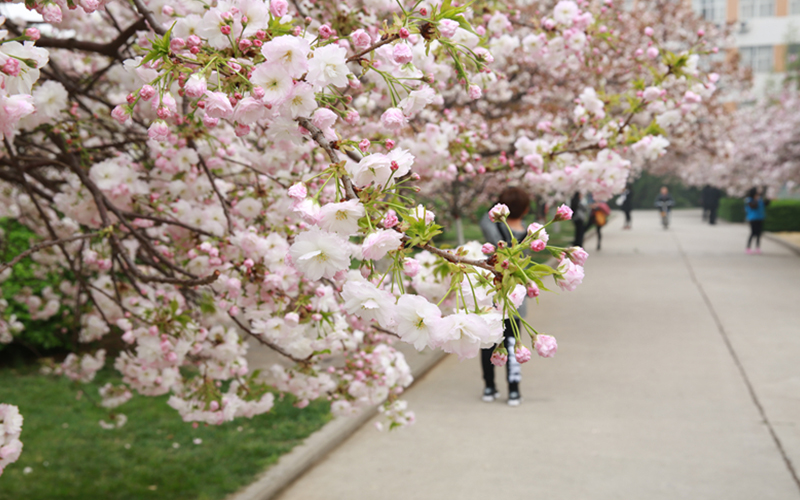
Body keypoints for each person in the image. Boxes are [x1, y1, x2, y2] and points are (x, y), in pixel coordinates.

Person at [479, 187, 529, 406]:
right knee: (512, 343)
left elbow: (485, 218)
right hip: (516, 297)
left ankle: (489, 387)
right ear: (526, 209)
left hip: (492, 295)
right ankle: (514, 390)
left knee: (489, 343)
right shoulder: (530, 234)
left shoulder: (492, 227)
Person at [745, 187, 769, 254]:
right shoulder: (749, 200)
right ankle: (748, 248)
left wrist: (768, 198)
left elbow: (765, 204)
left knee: (759, 233)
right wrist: (756, 200)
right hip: (752, 219)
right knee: (753, 233)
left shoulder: (760, 199)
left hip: (760, 218)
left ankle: (757, 247)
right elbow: (753, 206)